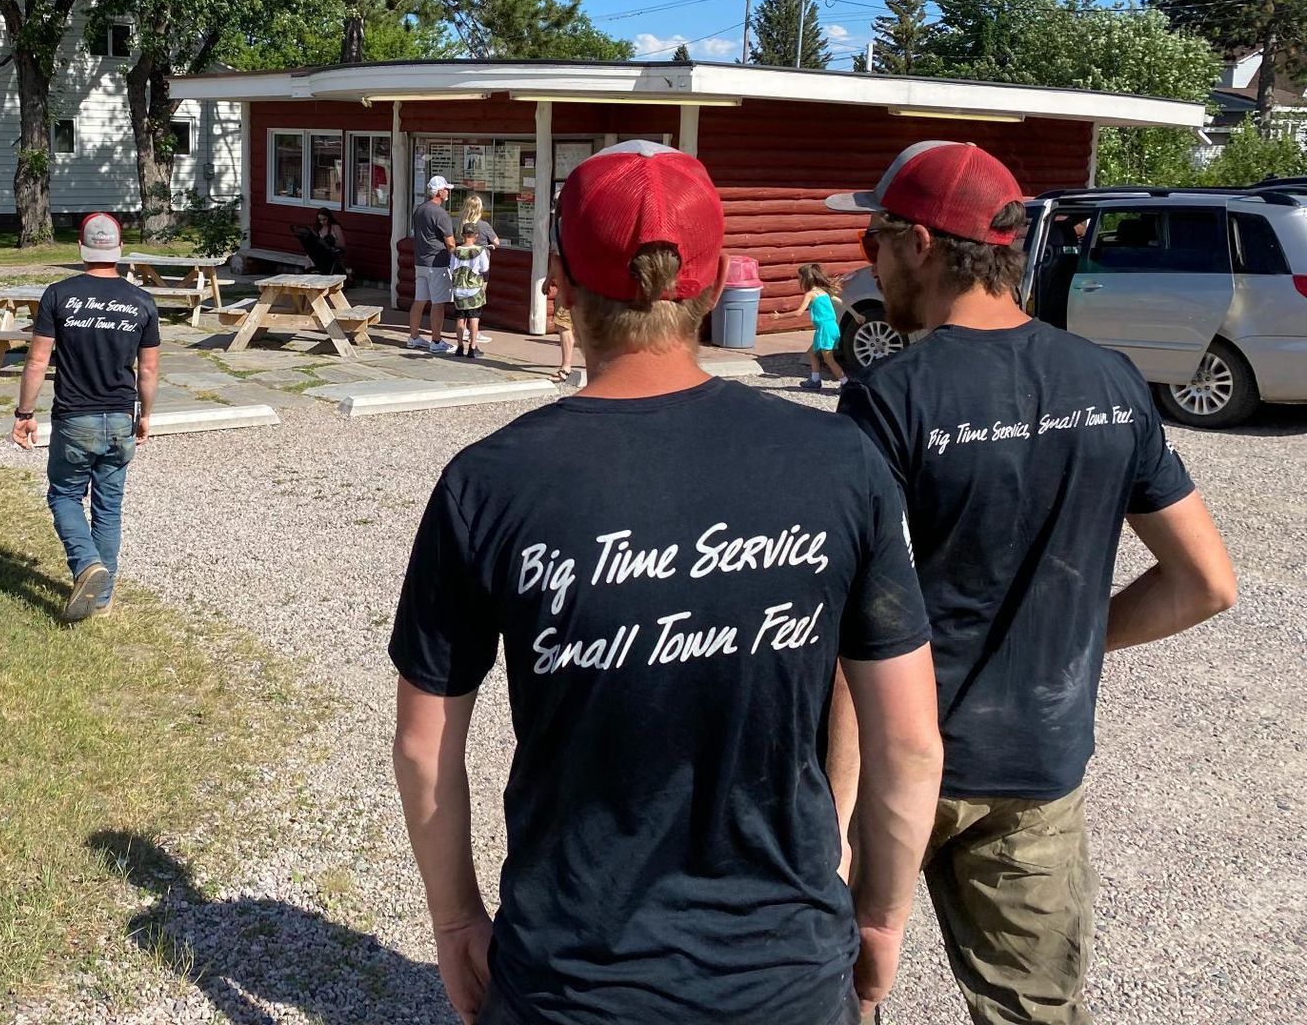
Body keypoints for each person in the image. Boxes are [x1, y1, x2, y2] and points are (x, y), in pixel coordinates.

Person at [391, 140, 944, 1025]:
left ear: (560, 286)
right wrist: (879, 918)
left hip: (570, 980)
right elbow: (909, 742)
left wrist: (456, 918)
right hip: (787, 976)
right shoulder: (842, 464)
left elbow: (425, 746)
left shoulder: (487, 483)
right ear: (715, 278)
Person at [826, 141, 1237, 1025]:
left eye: (873, 241)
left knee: (844, 989)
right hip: (1039, 771)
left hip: (902, 762)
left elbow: (860, 622)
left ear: (921, 245)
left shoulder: (891, 398)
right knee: (1035, 1014)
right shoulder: (1112, 382)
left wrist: (834, 815)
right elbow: (1205, 581)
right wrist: (1078, 636)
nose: (871, 261)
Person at [12, 211, 161, 624]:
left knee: (63, 495)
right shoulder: (142, 301)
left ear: (81, 249)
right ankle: (102, 598)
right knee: (109, 506)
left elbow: (37, 360)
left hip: (75, 418)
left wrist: (25, 412)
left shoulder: (58, 295)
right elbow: (147, 370)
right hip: (119, 417)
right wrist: (145, 414)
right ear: (119, 251)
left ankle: (85, 566)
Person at [407, 174, 457, 354]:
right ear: (439, 192)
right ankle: (436, 341)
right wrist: (457, 261)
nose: (448, 192)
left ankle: (413, 337)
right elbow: (450, 243)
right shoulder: (441, 214)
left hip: (420, 262)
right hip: (438, 263)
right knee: (439, 303)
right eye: (446, 189)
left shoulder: (419, 209)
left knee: (419, 300)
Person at [777, 263, 845, 391]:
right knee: (812, 354)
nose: (799, 280)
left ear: (806, 279)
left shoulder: (810, 294)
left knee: (829, 359)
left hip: (824, 328)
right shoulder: (824, 292)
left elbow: (798, 312)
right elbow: (841, 301)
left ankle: (845, 383)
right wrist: (856, 315)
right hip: (831, 326)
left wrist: (779, 317)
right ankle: (815, 380)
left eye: (800, 278)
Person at [459, 195, 498, 344]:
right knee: (477, 299)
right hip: (480, 268)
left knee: (463, 298)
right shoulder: (483, 225)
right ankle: (474, 331)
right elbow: (497, 241)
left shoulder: (461, 224)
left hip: (463, 267)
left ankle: (463, 330)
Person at [448, 223, 490, 359]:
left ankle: (460, 347)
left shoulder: (456, 251)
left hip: (459, 288)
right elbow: (485, 268)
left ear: (462, 235)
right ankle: (472, 347)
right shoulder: (480, 250)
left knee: (460, 319)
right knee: (474, 318)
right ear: (476, 236)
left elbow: (452, 268)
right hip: (474, 289)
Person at [295, 207, 348, 276]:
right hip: (321, 252)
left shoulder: (335, 227)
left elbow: (342, 243)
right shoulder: (319, 228)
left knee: (316, 258)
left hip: (330, 252)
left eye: (324, 219)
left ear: (329, 217)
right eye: (320, 220)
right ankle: (310, 274)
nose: (322, 222)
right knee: (309, 257)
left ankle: (318, 274)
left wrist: (330, 241)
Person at [543, 275, 576, 384]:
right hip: (590, 286)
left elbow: (556, 259)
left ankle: (566, 368)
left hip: (570, 285)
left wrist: (548, 279)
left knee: (563, 322)